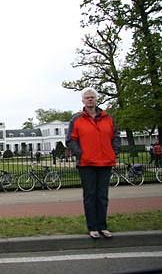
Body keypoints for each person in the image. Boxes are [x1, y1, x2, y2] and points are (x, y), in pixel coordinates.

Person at [66, 87, 120, 240]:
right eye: (87, 97)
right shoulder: (76, 119)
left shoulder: (108, 118)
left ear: (96, 100)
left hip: (105, 162)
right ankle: (92, 227)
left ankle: (103, 226)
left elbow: (116, 135)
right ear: (83, 101)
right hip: (87, 163)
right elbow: (70, 140)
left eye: (92, 97)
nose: (90, 99)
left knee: (103, 196)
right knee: (90, 195)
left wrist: (114, 151)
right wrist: (81, 153)